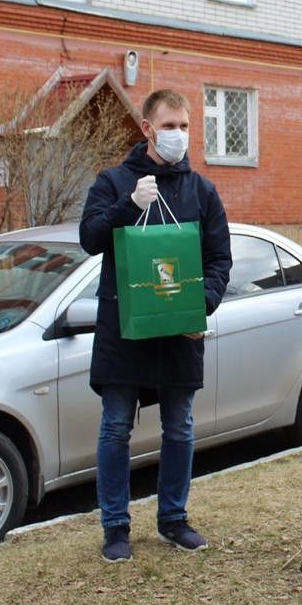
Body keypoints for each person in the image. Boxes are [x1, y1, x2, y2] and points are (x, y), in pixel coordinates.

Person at [79, 88, 232, 562]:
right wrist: (129, 205)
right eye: (169, 126)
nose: (178, 135)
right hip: (126, 331)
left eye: (185, 126)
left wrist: (199, 306)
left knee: (181, 428)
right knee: (116, 427)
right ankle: (115, 527)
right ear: (147, 128)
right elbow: (89, 239)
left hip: (178, 334)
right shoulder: (113, 181)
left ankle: (173, 519)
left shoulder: (201, 191)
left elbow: (219, 260)